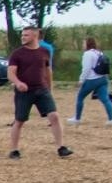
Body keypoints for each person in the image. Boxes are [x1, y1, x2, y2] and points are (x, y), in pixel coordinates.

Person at [7, 25, 72, 159]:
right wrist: (18, 83)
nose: (23, 37)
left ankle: (61, 147)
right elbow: (10, 73)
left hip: (42, 90)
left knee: (54, 116)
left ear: (35, 36)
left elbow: (48, 72)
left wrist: (50, 89)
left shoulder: (44, 52)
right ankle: (14, 150)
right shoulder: (17, 53)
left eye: (26, 35)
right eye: (22, 35)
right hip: (24, 92)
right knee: (19, 120)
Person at [69, 36, 112, 124]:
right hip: (103, 79)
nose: (82, 45)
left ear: (88, 44)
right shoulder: (99, 52)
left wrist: (81, 80)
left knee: (80, 97)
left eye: (83, 43)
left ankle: (77, 119)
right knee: (105, 99)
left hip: (92, 80)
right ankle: (111, 119)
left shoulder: (87, 54)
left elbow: (86, 69)